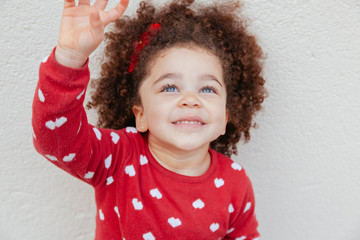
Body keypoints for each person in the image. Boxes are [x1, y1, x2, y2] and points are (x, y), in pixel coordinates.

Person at [32, 0, 266, 239]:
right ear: (140, 115)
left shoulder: (235, 182)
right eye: (169, 87)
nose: (190, 99)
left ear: (225, 117)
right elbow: (56, 139)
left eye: (207, 89)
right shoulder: (117, 158)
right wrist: (70, 56)